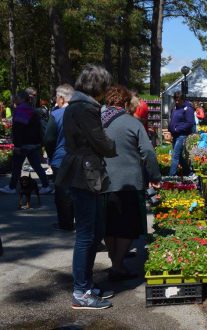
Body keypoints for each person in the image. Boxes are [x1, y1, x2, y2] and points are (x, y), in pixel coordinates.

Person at [55, 64, 117, 309]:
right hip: (86, 171)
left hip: (83, 168)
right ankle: (81, 291)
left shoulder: (76, 105)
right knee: (86, 234)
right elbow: (100, 141)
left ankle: (86, 284)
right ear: (97, 86)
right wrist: (111, 146)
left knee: (93, 231)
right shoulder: (85, 107)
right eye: (105, 86)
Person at [100, 85, 161, 282]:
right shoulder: (131, 122)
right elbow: (148, 152)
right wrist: (155, 176)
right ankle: (118, 265)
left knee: (108, 225)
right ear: (126, 103)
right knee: (127, 226)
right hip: (129, 181)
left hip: (102, 181)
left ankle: (114, 260)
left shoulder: (96, 120)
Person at [0, 91, 53, 194]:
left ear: (21, 98)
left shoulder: (21, 109)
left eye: (16, 97)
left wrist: (17, 145)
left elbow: (19, 129)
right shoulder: (30, 109)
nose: (14, 99)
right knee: (37, 166)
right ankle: (46, 185)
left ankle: (12, 187)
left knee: (16, 166)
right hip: (33, 143)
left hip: (24, 144)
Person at [45, 84, 76, 231]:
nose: (56, 101)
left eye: (57, 98)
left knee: (62, 193)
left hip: (61, 158)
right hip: (80, 158)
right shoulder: (82, 113)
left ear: (62, 99)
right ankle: (81, 222)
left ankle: (66, 223)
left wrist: (51, 157)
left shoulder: (56, 115)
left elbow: (49, 139)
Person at [167, 92, 195, 177]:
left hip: (182, 135)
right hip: (175, 134)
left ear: (182, 99)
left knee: (175, 155)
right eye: (175, 99)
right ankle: (188, 172)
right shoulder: (175, 108)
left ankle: (171, 175)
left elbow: (190, 123)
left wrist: (177, 129)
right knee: (178, 156)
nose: (176, 101)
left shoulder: (188, 109)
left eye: (178, 100)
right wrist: (171, 130)